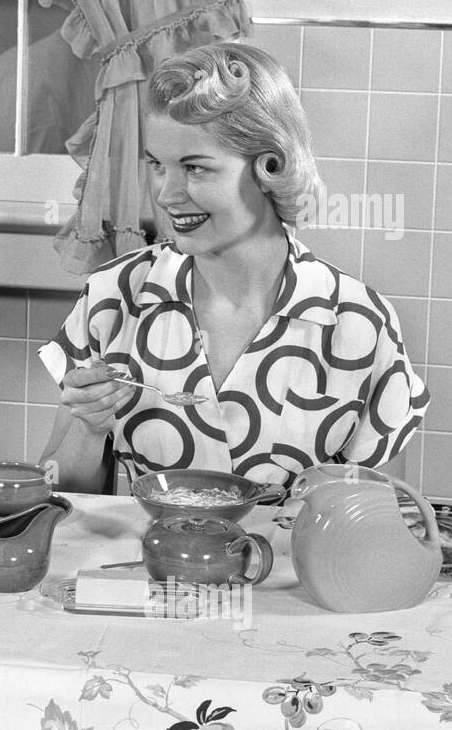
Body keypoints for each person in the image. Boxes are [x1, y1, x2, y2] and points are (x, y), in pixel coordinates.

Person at [38, 43, 429, 494]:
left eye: (195, 168)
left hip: (293, 567)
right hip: (150, 564)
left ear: (270, 166)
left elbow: (381, 519)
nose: (167, 194)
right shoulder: (116, 295)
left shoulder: (358, 322)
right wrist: (88, 429)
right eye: (157, 166)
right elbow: (59, 498)